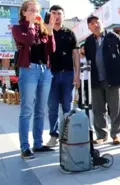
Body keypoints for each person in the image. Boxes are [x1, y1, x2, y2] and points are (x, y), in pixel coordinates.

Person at [12, 0, 56, 159]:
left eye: (36, 10)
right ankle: (25, 147)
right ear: (24, 12)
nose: (35, 13)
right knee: (27, 110)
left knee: (40, 110)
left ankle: (38, 144)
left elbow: (52, 49)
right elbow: (29, 41)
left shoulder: (42, 28)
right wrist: (31, 24)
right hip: (28, 69)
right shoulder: (18, 29)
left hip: (45, 70)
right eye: (31, 10)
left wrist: (50, 33)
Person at [84, 15, 120, 145]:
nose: (95, 25)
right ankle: (101, 135)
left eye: (97, 22)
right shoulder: (88, 41)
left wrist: (118, 74)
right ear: (89, 27)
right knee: (98, 110)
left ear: (102, 23)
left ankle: (116, 135)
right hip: (96, 80)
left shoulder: (113, 37)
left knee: (116, 109)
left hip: (113, 79)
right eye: (91, 24)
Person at [46, 5, 80, 147]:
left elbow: (76, 54)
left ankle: (67, 135)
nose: (57, 16)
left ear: (63, 16)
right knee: (52, 106)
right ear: (50, 16)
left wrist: (77, 74)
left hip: (68, 74)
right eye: (53, 13)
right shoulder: (46, 32)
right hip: (50, 74)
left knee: (67, 106)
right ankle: (53, 136)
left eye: (59, 13)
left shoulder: (70, 33)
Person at [78, 44, 89, 114]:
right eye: (83, 48)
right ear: (80, 49)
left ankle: (88, 113)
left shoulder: (88, 58)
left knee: (88, 97)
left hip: (88, 80)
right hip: (80, 80)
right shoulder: (77, 58)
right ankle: (80, 112)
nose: (84, 50)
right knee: (81, 97)